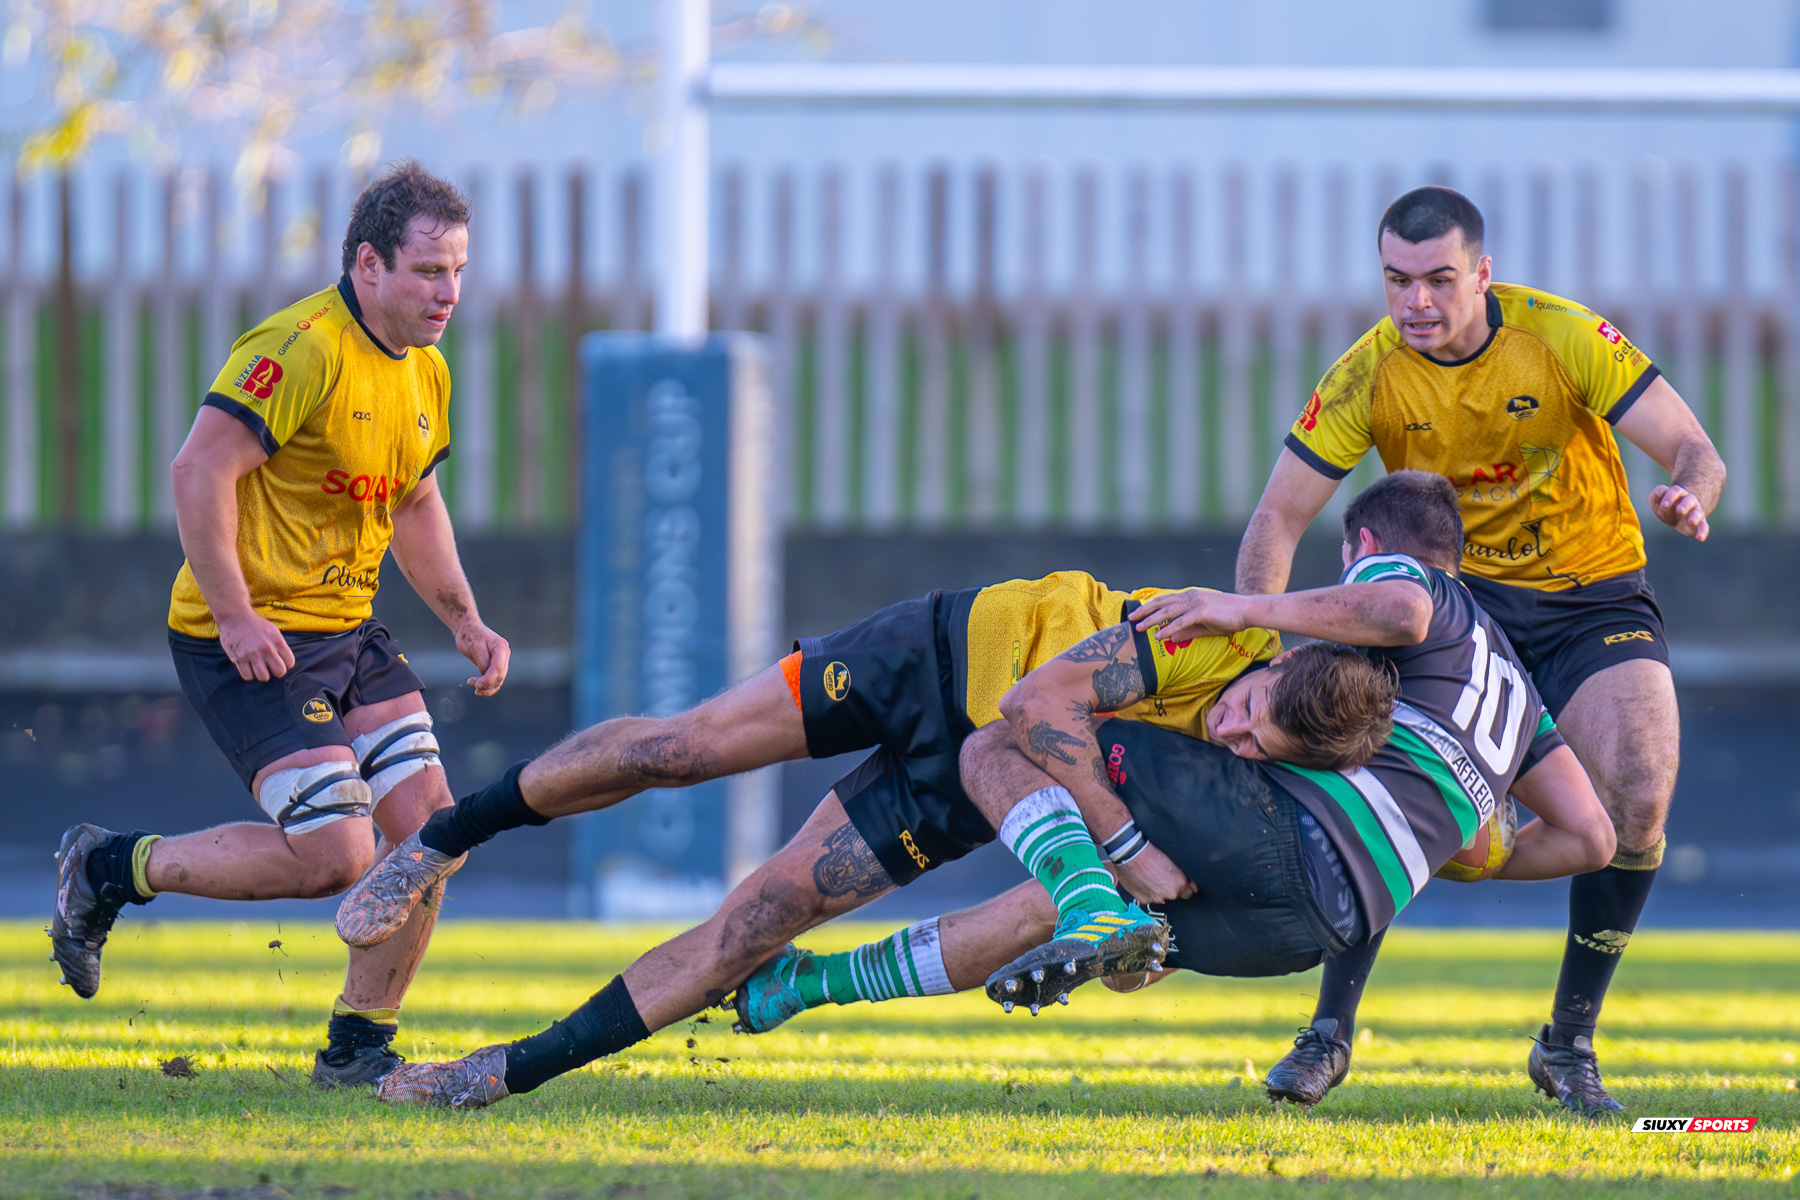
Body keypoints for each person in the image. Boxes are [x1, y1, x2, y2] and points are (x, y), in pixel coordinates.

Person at [358, 589, 1398, 1107]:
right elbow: (1037, 705)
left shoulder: (1250, 778)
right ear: (1281, 661)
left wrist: (1120, 944)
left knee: (758, 922)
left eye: (1264, 744)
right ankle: (449, 836)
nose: (1235, 734)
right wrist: (1121, 839)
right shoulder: (1215, 634)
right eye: (1250, 711)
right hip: (941, 656)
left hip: (970, 785)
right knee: (687, 748)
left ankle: (497, 1075)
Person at [725, 472, 1613, 1049]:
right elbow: (1590, 838)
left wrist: (1235, 608)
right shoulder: (1516, 695)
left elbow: (1400, 616)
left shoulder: (1421, 589)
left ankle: (1098, 891)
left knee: (1011, 739)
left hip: (1285, 843)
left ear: (1363, 553)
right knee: (1068, 908)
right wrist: (1427, 858)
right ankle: (808, 987)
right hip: (1312, 933)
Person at [1225, 185, 1724, 1117]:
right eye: (1397, 281)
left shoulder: (1563, 336)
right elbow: (1274, 524)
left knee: (1641, 796)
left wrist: (1690, 492)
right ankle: (1329, 1033)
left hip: (1593, 597)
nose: (1416, 301)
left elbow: (1695, 448)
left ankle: (1568, 1046)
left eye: (1439, 279)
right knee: (1367, 772)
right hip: (1456, 608)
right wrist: (1271, 656)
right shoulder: (1367, 373)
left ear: (1482, 274)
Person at [48, 161, 511, 1089]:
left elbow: (415, 502)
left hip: (346, 631)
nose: (448, 292)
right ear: (368, 265)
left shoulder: (426, 369)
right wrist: (236, 616)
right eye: (428, 271)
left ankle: (356, 1046)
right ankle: (110, 867)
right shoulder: (300, 347)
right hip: (248, 638)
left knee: (432, 831)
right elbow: (197, 471)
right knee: (336, 856)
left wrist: (465, 620)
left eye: (457, 271)